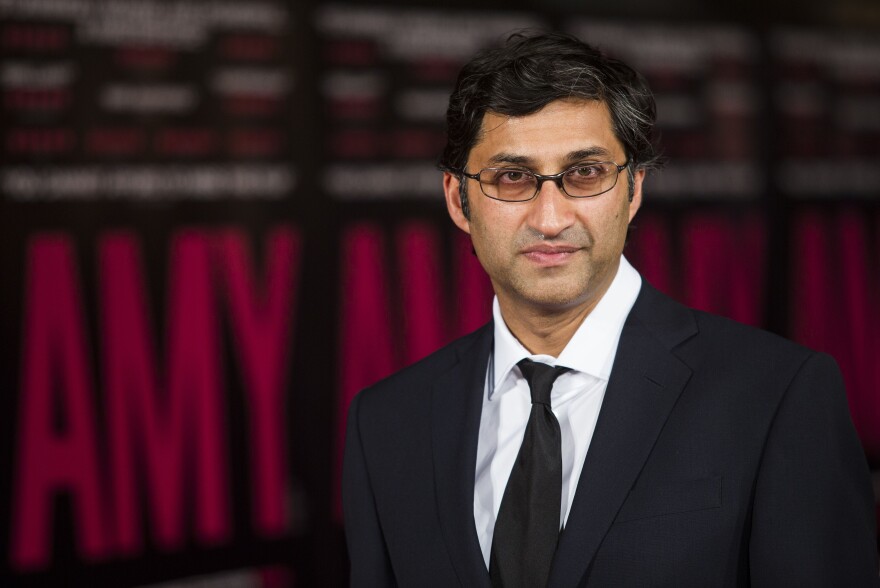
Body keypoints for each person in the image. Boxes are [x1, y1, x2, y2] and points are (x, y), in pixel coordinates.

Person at [342, 31, 879, 587]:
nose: (550, 219)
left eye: (585, 173)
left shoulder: (777, 396)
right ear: (459, 199)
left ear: (634, 189)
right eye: (512, 177)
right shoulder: (386, 425)